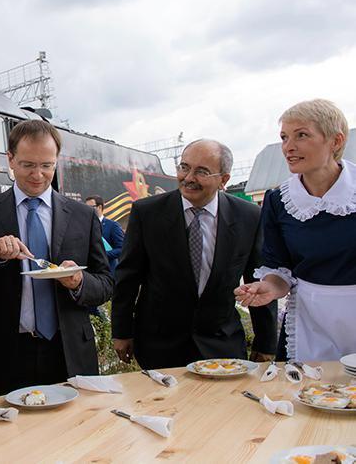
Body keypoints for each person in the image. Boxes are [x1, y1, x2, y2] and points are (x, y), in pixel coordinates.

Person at [0, 120, 113, 399]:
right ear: (10, 159)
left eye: (47, 165)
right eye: (28, 165)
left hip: (68, 354)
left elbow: (105, 283)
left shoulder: (82, 216)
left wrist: (79, 282)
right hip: (4, 356)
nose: (38, 174)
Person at [111, 139, 277, 370]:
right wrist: (121, 332)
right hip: (160, 346)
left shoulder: (249, 216)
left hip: (222, 344)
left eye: (202, 171)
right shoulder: (147, 213)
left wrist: (266, 342)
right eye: (184, 167)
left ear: (224, 179)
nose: (188, 177)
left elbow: (258, 280)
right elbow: (128, 277)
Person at [236, 99, 356, 362]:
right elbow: (279, 268)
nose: (288, 147)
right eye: (284, 137)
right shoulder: (278, 201)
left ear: (336, 141)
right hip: (310, 324)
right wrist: (269, 288)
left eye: (301, 135)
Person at [85, 195, 124, 274]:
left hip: (108, 271)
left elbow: (121, 249)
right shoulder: (85, 226)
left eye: (90, 207)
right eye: (86, 207)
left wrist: (101, 254)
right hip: (90, 273)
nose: (87, 210)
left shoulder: (112, 226)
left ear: (99, 207)